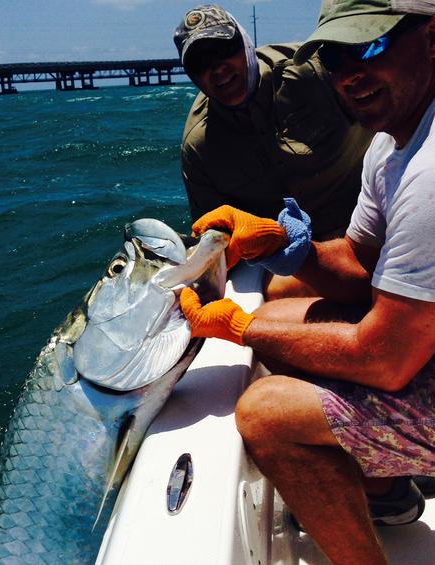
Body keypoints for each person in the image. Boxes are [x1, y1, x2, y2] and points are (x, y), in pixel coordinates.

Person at [179, 1, 435, 563]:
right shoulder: (392, 143)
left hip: (409, 328)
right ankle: (385, 489)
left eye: (370, 46)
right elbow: (361, 264)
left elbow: (386, 359)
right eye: (335, 55)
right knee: (278, 311)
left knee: (265, 413)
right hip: (410, 293)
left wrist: (240, 329)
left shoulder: (426, 172)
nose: (349, 74)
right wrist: (289, 250)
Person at [173, 4, 373, 243]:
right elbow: (212, 236)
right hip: (282, 256)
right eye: (199, 62)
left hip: (371, 224)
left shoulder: (313, 70)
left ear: (246, 44)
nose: (217, 68)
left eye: (224, 49)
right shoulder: (198, 145)